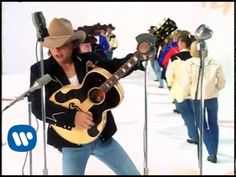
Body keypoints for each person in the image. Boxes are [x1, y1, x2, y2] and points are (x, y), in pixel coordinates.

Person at [29, 17, 146, 175]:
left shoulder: (90, 60)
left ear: (72, 44)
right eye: (52, 46)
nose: (56, 51)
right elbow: (37, 106)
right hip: (71, 143)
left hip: (102, 137)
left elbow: (114, 67)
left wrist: (138, 55)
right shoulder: (41, 69)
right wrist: (73, 117)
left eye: (62, 45)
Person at [183, 40, 226, 163]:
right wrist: (215, 89)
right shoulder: (215, 63)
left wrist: (188, 93)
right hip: (212, 97)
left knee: (201, 124)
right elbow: (222, 82)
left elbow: (186, 83)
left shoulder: (189, 63)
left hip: (197, 98)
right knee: (213, 123)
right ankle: (214, 151)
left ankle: (212, 152)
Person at [166, 31, 199, 145]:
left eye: (179, 42)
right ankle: (198, 134)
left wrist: (170, 84)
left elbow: (169, 76)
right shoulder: (196, 58)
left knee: (187, 115)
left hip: (180, 91)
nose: (177, 44)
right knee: (195, 114)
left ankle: (194, 137)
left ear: (184, 44)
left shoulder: (175, 58)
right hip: (195, 90)